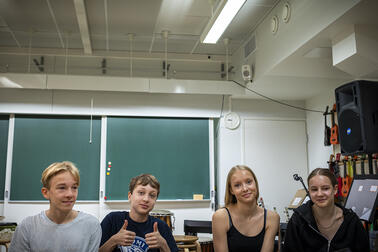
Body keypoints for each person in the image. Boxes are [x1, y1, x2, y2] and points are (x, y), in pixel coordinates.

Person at [9, 161, 101, 252]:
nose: (70, 194)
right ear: (46, 192)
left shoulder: (91, 225)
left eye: (74, 187)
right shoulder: (27, 227)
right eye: (62, 188)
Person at [283, 168, 370, 252]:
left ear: (335, 189)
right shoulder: (298, 220)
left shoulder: (351, 221)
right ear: (309, 192)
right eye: (314, 189)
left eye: (325, 188)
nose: (319, 194)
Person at [99, 173, 178, 252]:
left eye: (152, 195)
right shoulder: (113, 220)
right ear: (130, 196)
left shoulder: (161, 227)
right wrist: (113, 241)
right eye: (141, 193)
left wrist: (163, 245)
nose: (146, 199)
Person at [212, 165, 280, 252]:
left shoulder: (272, 218)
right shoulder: (221, 217)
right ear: (231, 190)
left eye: (249, 182)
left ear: (255, 183)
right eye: (237, 185)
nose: (245, 188)